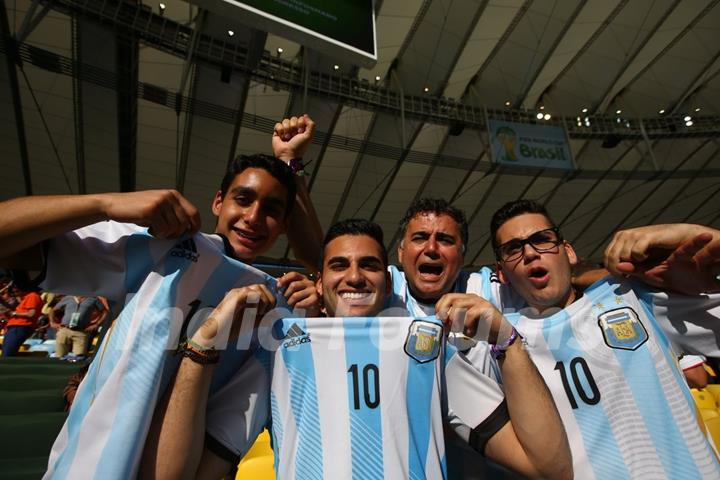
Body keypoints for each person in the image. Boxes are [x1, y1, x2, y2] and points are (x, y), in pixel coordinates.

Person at [0, 115, 323, 478]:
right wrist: (105, 204)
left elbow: (329, 262)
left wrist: (289, 163)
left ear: (284, 226)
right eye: (243, 199)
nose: (252, 217)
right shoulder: (162, 246)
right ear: (218, 201)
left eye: (271, 212)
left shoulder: (280, 310)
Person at [140, 218, 572, 479]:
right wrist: (203, 343)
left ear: (388, 282)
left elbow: (547, 466)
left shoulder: (427, 348)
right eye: (339, 265)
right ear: (319, 282)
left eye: (369, 264)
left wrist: (508, 345)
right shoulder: (279, 351)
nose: (355, 276)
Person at [469, 199, 720, 478]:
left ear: (569, 252)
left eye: (542, 239)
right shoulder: (501, 340)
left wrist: (689, 232)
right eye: (513, 248)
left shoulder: (633, 298)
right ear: (501, 273)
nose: (529, 252)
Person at [0, 283, 42, 356]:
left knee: (7, 354)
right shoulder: (25, 298)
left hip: (19, 327)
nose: (14, 291)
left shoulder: (32, 296)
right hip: (16, 328)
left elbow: (31, 313)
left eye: (16, 289)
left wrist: (13, 313)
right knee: (8, 353)